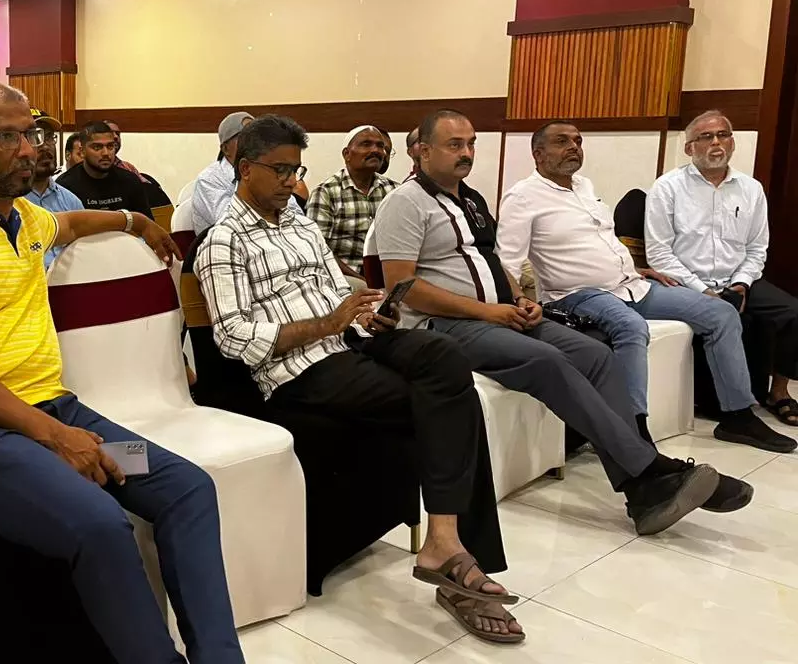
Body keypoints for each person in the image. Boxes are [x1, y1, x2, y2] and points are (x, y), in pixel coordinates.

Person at [0, 81, 242, 664]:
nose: (29, 150)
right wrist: (55, 436)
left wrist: (133, 220)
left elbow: (69, 225)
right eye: (7, 137)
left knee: (186, 488)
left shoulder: (25, 218)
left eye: (32, 134)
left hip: (48, 412)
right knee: (99, 522)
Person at [195, 115, 521, 644]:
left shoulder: (300, 224)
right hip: (300, 370)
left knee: (443, 357)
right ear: (246, 168)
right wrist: (328, 324)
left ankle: (443, 539)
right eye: (280, 170)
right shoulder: (222, 241)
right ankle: (457, 557)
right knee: (446, 407)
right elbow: (233, 338)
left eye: (297, 170)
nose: (291, 181)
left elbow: (336, 293)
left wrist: (370, 314)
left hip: (351, 343)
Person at [372, 109, 750, 536]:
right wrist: (487, 311)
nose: (467, 153)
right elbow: (401, 285)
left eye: (471, 143)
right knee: (546, 360)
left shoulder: (470, 198)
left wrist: (519, 298)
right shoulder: (404, 202)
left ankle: (644, 489)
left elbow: (495, 262)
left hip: (501, 312)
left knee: (596, 354)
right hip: (444, 323)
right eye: (454, 145)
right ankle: (652, 470)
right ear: (423, 151)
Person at [501, 121, 791, 456]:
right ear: (538, 154)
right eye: (561, 141)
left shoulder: (583, 186)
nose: (573, 147)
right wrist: (516, 299)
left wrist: (634, 268)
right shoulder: (523, 197)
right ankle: (632, 430)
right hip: (576, 294)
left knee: (721, 312)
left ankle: (737, 416)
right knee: (630, 326)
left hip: (630, 285)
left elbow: (596, 242)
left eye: (578, 141)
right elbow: (506, 261)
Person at [646, 110, 798, 428]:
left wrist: (741, 284)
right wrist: (702, 290)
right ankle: (724, 403)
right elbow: (659, 254)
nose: (716, 142)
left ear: (732, 142)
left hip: (737, 278)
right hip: (686, 283)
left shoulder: (751, 189)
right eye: (706, 136)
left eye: (723, 135)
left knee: (792, 312)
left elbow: (757, 248)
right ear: (689, 147)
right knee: (722, 315)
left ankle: (778, 392)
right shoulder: (667, 187)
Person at [306, 125, 399, 278]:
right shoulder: (326, 192)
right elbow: (319, 249)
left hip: (389, 272)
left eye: (380, 146)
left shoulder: (394, 190)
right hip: (346, 276)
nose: (375, 150)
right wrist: (362, 280)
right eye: (366, 144)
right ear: (347, 154)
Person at [191, 112, 304, 234]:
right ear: (225, 149)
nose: (255, 144)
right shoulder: (209, 179)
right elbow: (233, 224)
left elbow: (297, 215)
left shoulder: (265, 170)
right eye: (245, 138)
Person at [56, 120, 153, 219]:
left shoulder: (130, 181)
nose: (106, 153)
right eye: (97, 147)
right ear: (82, 151)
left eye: (110, 146)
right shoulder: (65, 185)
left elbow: (147, 224)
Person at [23, 109, 83, 268]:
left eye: (49, 137)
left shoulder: (71, 201)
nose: (45, 146)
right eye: (35, 137)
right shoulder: (9, 205)